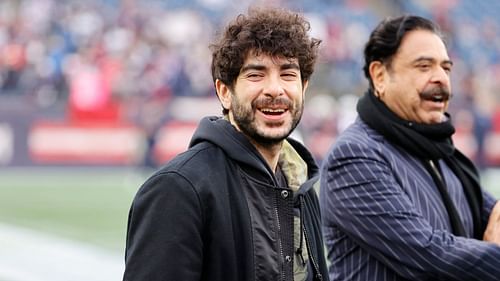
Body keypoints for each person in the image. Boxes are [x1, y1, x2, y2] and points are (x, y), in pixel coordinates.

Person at [123, 7, 328, 281]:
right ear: (224, 92)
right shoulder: (178, 189)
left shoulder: (300, 186)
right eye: (256, 75)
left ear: (303, 88)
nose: (275, 89)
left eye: (288, 75)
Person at [320, 15, 500, 281]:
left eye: (446, 68)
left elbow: (493, 214)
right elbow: (430, 257)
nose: (441, 78)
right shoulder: (354, 157)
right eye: (424, 66)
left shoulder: (440, 154)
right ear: (380, 76)